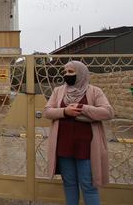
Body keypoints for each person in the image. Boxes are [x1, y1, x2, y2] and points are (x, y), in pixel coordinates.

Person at [43, 61, 114, 205]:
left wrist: (83, 108)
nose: (66, 75)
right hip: (64, 145)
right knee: (69, 183)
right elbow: (47, 111)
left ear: (81, 73)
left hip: (86, 147)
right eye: (65, 72)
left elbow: (108, 112)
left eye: (70, 72)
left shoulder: (95, 91)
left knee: (89, 185)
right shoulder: (58, 91)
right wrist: (65, 111)